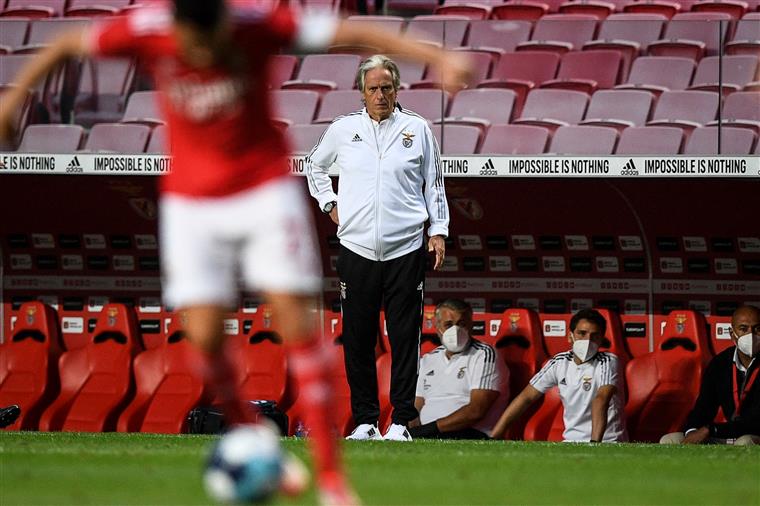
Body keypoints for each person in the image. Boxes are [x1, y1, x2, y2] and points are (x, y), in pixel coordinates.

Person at [0, 2, 470, 503]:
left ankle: (334, 481)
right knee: (202, 335)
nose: (204, 50)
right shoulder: (146, 28)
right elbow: (67, 43)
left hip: (263, 190)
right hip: (192, 199)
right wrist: (13, 100)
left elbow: (348, 29)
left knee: (299, 325)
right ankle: (259, 439)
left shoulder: (258, 25)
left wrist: (433, 56)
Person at [306, 54, 450, 442]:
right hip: (356, 249)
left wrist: (438, 231)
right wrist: (330, 205)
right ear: (362, 92)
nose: (381, 95)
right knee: (357, 338)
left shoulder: (417, 129)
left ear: (397, 89)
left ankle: (401, 421)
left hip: (406, 249)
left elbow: (433, 183)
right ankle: (366, 420)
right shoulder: (342, 129)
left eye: (387, 88)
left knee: (405, 338)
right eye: (373, 89)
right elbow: (314, 166)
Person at [490, 308, 628, 443]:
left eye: (594, 336)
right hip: (571, 441)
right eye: (582, 333)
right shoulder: (559, 362)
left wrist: (595, 445)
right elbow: (526, 397)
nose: (587, 340)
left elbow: (601, 399)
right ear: (570, 336)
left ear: (601, 339)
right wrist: (495, 435)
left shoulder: (608, 361)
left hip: (607, 442)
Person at [408, 299, 508, 440]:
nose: (455, 330)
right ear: (437, 327)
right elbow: (416, 407)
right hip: (429, 435)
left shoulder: (484, 354)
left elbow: (476, 411)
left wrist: (428, 430)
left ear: (471, 326)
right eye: (448, 325)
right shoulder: (428, 359)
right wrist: (409, 431)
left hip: (469, 434)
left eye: (461, 324)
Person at [660, 305, 760, 446]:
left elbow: (756, 421)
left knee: (745, 442)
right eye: (743, 329)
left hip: (752, 435)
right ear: (732, 334)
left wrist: (712, 429)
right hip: (726, 433)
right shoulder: (720, 362)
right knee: (670, 440)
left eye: (757, 329)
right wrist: (692, 431)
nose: (751, 335)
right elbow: (703, 407)